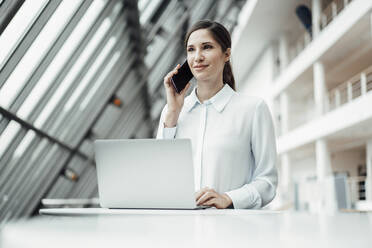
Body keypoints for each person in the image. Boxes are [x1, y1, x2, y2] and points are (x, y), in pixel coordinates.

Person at [156, 20, 278, 209]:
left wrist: (229, 198)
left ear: (226, 54)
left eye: (206, 47)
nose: (197, 57)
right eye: (191, 50)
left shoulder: (253, 109)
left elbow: (267, 182)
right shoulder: (171, 112)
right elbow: (159, 175)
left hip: (230, 230)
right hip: (179, 230)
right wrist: (172, 114)